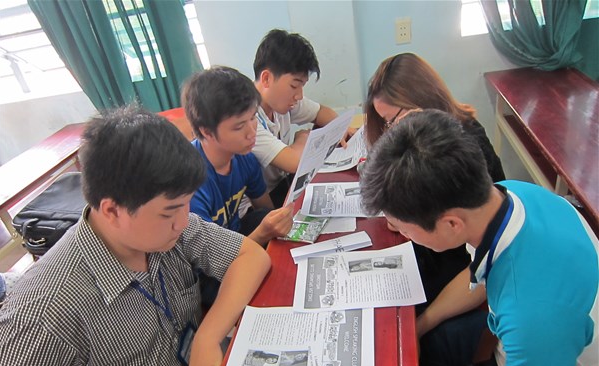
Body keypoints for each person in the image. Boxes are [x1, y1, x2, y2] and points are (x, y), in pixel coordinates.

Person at [0, 106, 280, 366]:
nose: (183, 221)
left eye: (187, 204)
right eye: (169, 212)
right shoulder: (45, 308)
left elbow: (250, 257)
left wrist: (207, 338)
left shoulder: (167, 230)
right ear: (112, 210)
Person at [359, 109, 598, 366]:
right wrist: (420, 325)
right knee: (410, 344)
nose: (400, 232)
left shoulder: (534, 314)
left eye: (404, 227)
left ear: (451, 224)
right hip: (511, 349)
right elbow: (481, 277)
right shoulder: (507, 197)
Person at [364, 52, 506, 308]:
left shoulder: (457, 150)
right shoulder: (433, 141)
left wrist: (424, 323)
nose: (391, 130)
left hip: (460, 267)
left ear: (418, 101)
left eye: (391, 121)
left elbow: (479, 267)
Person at [182, 66, 293, 247]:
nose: (252, 132)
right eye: (239, 126)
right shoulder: (189, 186)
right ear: (207, 132)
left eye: (253, 118)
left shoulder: (245, 157)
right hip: (206, 258)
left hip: (235, 235)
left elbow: (266, 210)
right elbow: (211, 258)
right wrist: (262, 234)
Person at [252, 29, 342, 207]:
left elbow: (323, 113)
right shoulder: (246, 118)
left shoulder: (283, 103)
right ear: (267, 79)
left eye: (302, 86)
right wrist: (302, 139)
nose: (299, 96)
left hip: (284, 185)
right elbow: (295, 162)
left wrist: (341, 128)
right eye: (294, 86)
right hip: (263, 202)